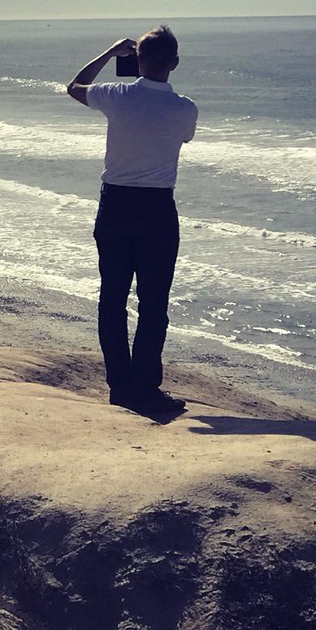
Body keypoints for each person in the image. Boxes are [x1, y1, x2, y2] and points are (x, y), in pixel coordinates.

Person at [66, 26, 198, 421]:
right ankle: (145, 387)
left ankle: (120, 387)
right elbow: (183, 139)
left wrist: (108, 52)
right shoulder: (185, 109)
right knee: (154, 304)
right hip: (157, 208)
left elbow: (74, 86)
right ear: (174, 63)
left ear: (136, 59)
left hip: (116, 205)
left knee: (113, 298)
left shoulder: (116, 96)